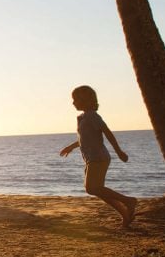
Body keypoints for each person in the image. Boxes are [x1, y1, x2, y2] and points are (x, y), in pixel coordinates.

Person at [59, 85, 137, 228]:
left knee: (92, 188)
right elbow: (85, 139)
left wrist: (119, 152)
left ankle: (128, 201)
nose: (73, 103)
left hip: (99, 158)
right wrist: (71, 147)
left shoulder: (92, 116)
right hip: (91, 159)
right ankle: (125, 214)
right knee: (97, 190)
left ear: (84, 100)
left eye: (75, 99)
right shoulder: (83, 117)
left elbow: (107, 133)